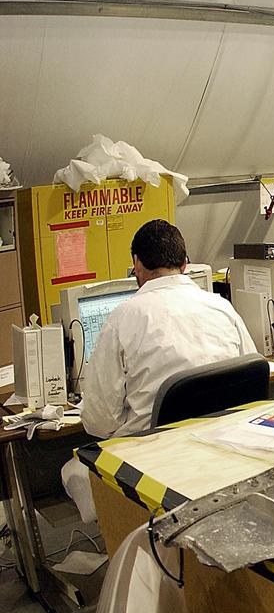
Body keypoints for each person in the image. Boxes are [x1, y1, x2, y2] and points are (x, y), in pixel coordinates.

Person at [64, 219, 257, 521]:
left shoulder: (123, 318)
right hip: (224, 454)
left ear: (136, 264)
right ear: (185, 263)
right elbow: (252, 373)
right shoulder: (221, 308)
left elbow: (99, 422)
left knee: (72, 469)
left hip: (154, 464)